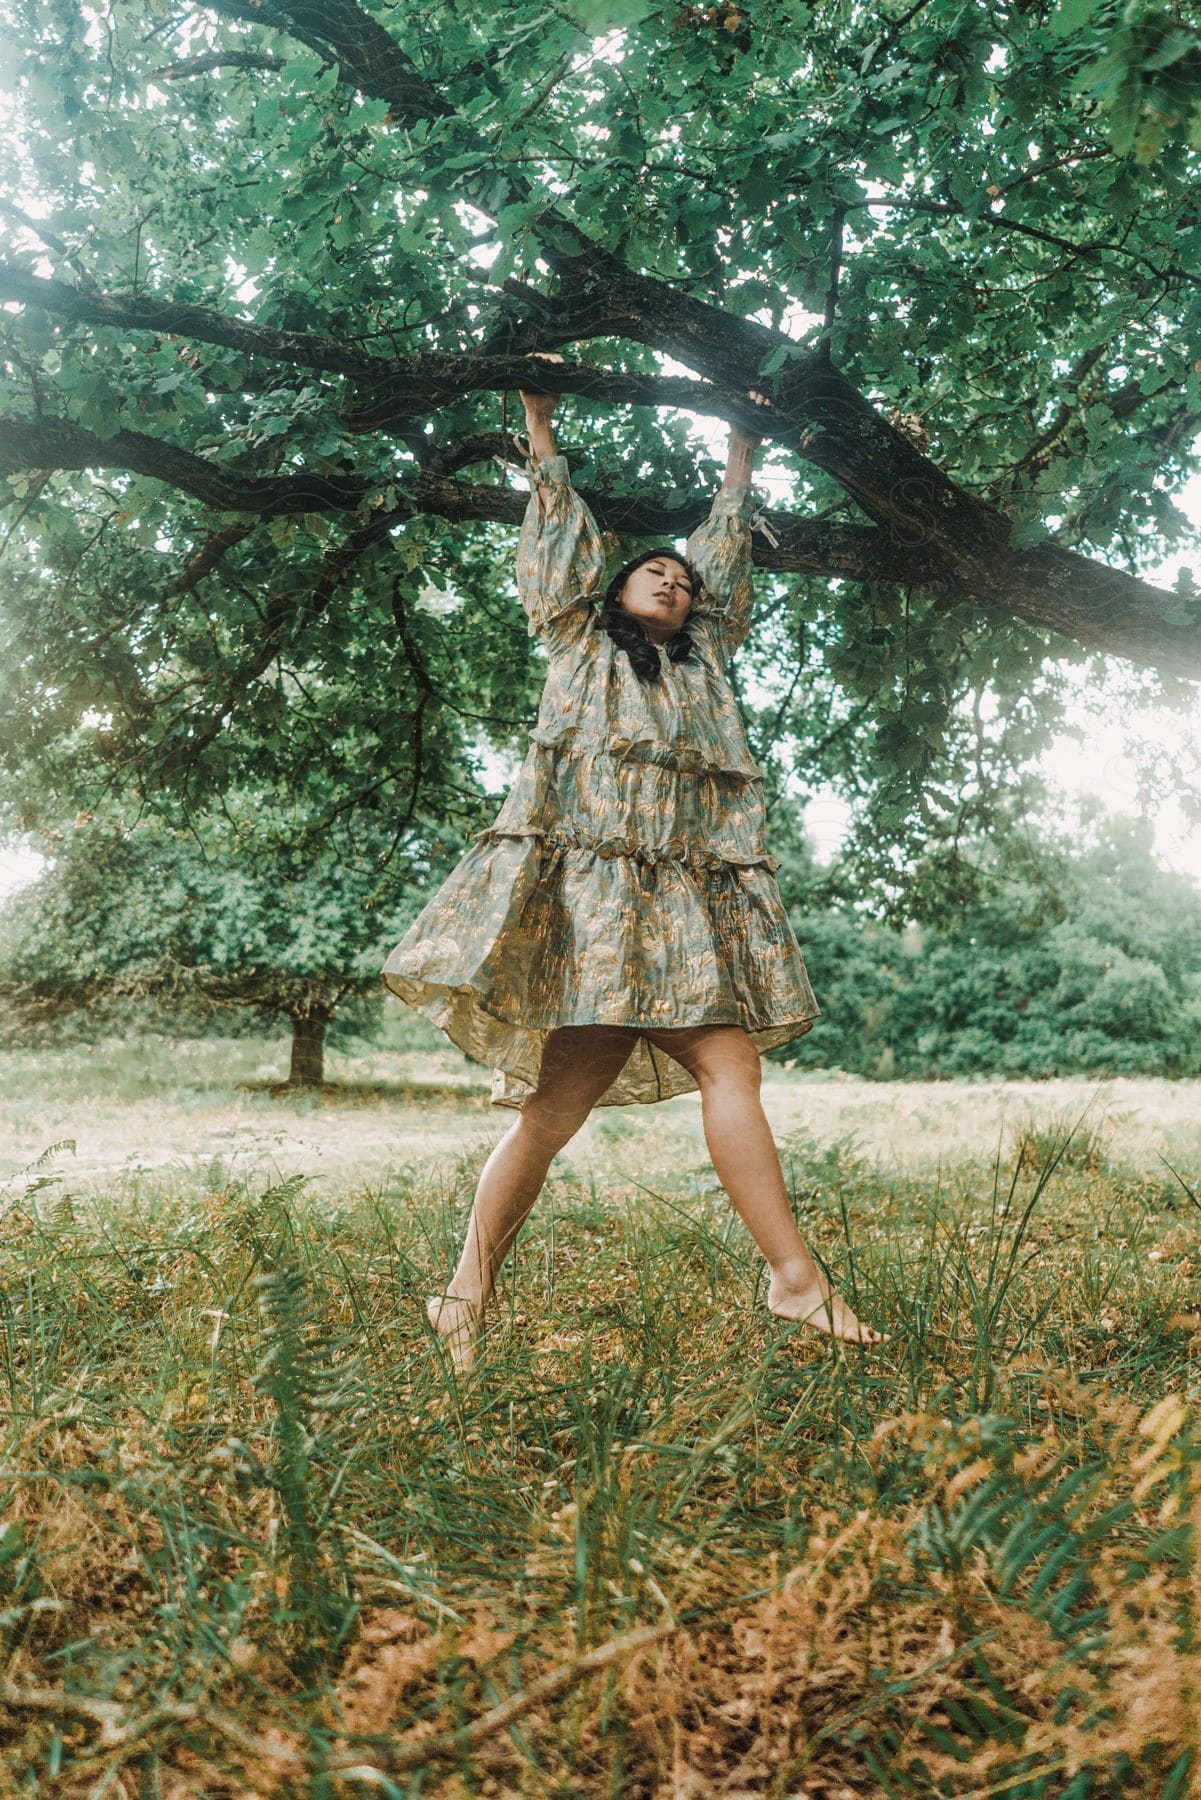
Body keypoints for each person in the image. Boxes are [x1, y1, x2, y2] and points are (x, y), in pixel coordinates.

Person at [382, 354, 887, 1370]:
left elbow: (726, 543)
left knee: (699, 1069)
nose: (675, 578)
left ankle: (787, 1281)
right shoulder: (575, 636)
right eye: (655, 569)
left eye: (686, 579)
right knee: (552, 1116)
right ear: (610, 585)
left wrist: (739, 454)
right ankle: (468, 1293)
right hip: (589, 906)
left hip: (676, 902)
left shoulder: (706, 658)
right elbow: (556, 526)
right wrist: (538, 417)